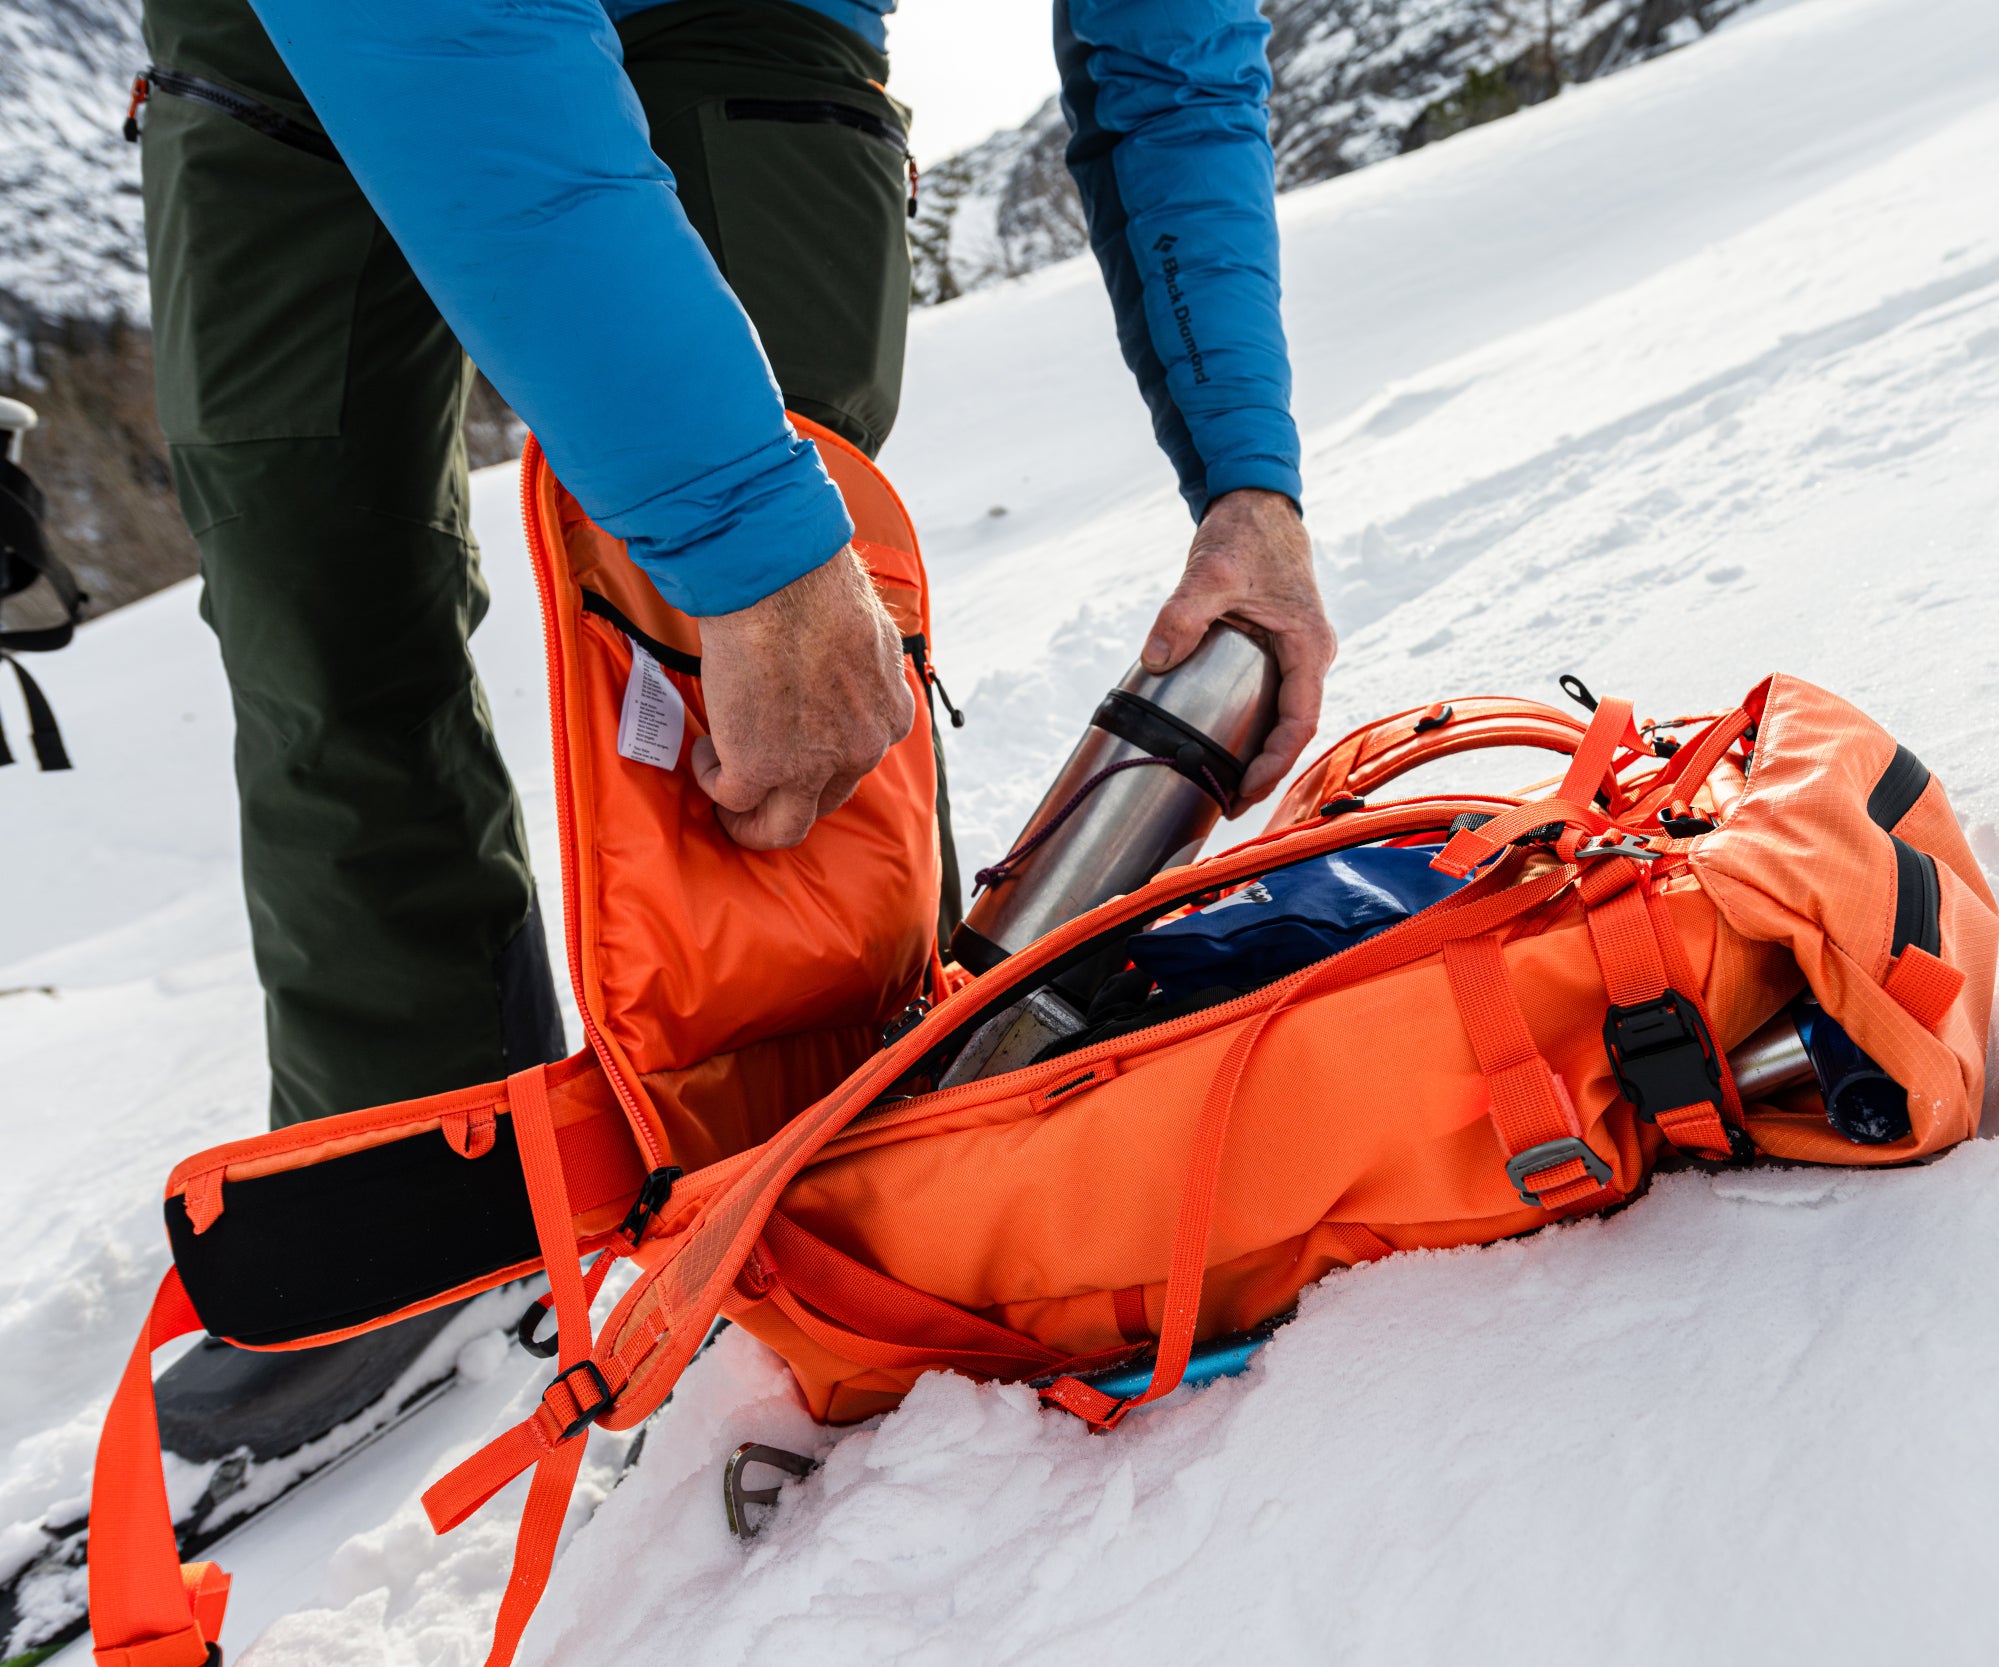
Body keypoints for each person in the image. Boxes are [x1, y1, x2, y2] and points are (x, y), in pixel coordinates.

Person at [134, 0, 1335, 1457]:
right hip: (274, 49)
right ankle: (433, 1196)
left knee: (757, 702)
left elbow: (1172, 63)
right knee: (319, 636)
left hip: (738, 22)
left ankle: (836, 1206)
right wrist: (747, 538)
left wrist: (1248, 478)